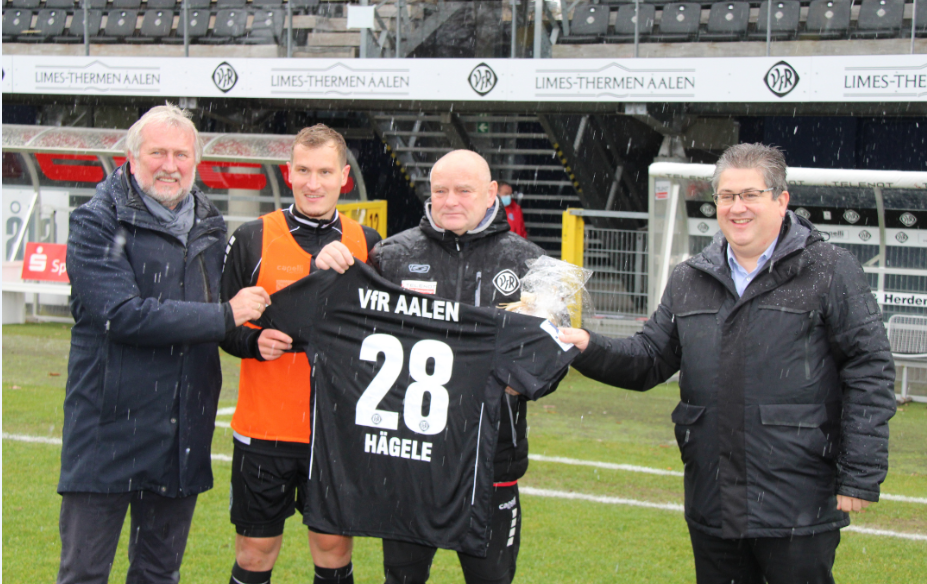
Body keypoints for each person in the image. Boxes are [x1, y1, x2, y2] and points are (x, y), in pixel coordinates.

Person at [559, 143, 896, 584]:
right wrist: (585, 344)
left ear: (781, 200)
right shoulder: (689, 277)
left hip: (798, 499)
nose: (737, 208)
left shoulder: (829, 269)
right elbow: (649, 359)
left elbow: (869, 369)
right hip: (712, 499)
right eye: (726, 196)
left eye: (751, 194)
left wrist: (860, 474)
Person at [58, 103, 270, 584]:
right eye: (158, 153)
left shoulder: (209, 225)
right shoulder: (96, 222)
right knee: (85, 573)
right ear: (132, 158)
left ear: (195, 162)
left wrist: (257, 343)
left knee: (159, 573)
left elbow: (218, 322)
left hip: (181, 433)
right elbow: (122, 315)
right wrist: (226, 314)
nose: (170, 165)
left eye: (181, 155)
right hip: (106, 430)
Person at [316, 149, 544, 584]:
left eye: (464, 190)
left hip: (490, 460)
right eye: (441, 191)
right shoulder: (393, 255)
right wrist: (325, 270)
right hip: (410, 457)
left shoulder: (527, 261)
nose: (450, 201)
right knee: (402, 579)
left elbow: (550, 359)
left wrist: (523, 379)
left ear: (491, 193)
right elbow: (347, 330)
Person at [220, 124, 381, 584]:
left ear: (343, 177)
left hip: (336, 433)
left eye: (325, 172)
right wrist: (253, 343)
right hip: (264, 429)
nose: (314, 183)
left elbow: (382, 333)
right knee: (255, 554)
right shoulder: (252, 237)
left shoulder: (368, 243)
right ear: (288, 172)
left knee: (333, 551)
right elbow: (221, 324)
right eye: (304, 170)